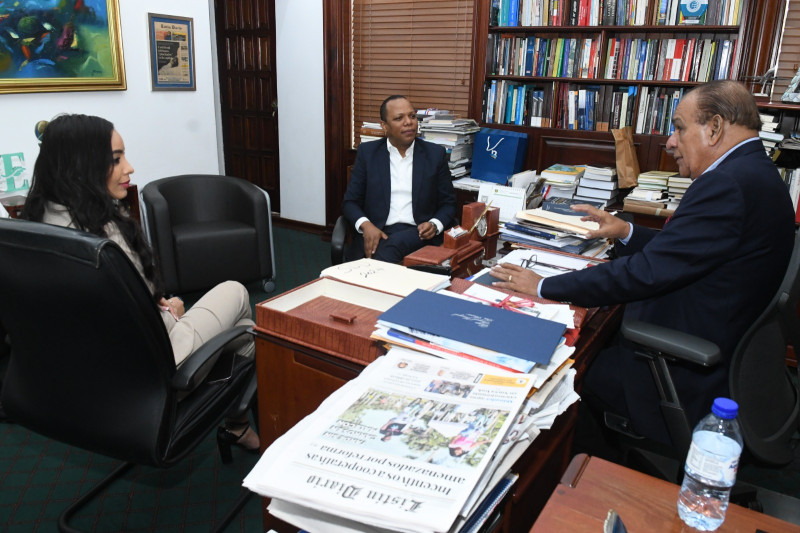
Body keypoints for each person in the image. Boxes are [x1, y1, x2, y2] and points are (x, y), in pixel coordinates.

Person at [490, 81, 795, 445]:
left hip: (683, 366)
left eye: (680, 127)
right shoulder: (756, 172)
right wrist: (626, 231)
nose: (670, 141)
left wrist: (543, 285)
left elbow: (647, 272)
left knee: (568, 372)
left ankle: (596, 478)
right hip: (723, 346)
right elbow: (690, 250)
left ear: (713, 128)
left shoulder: (727, 185)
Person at [22, 114, 260, 453]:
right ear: (83, 165)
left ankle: (237, 422)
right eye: (116, 159)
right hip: (156, 370)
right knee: (243, 310)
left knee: (242, 332)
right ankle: (237, 423)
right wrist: (167, 307)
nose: (129, 167)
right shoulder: (103, 238)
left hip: (79, 379)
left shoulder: (38, 223)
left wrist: (150, 299)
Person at [341, 95, 457, 263]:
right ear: (384, 126)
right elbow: (350, 202)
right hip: (378, 231)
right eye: (398, 118)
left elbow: (449, 203)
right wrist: (366, 226)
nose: (408, 122)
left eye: (412, 116)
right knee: (386, 249)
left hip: (418, 234)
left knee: (389, 250)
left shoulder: (434, 154)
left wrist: (434, 224)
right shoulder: (368, 153)